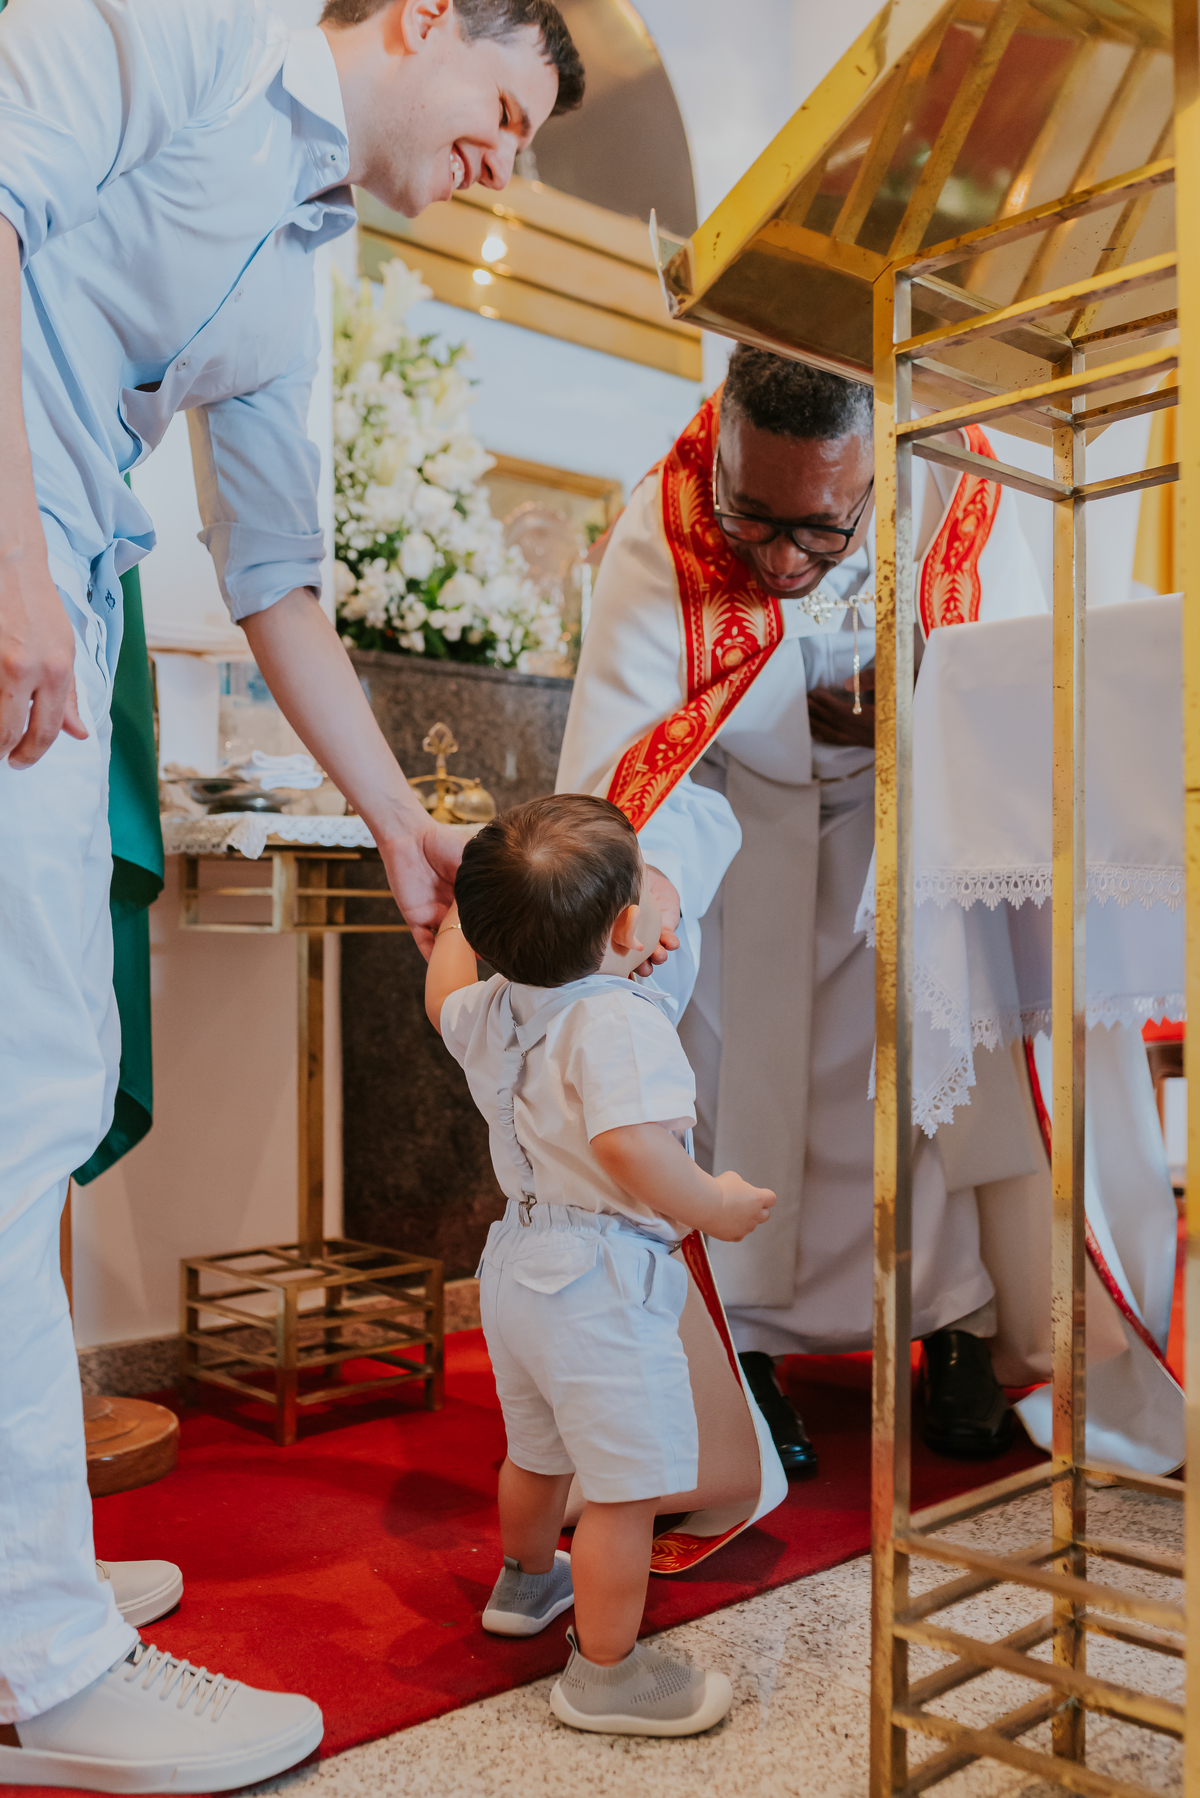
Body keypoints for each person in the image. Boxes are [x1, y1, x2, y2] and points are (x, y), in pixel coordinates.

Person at [0, 0, 582, 1787]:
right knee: (20, 1099)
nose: (513, 157)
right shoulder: (198, 24)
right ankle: (44, 1648)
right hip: (17, 561)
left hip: (66, 588)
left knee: (45, 1086)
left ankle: (27, 1574)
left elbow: (280, 582)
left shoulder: (300, 263)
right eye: (505, 103)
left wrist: (407, 828)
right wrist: (12, 557)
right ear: (414, 21)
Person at [557, 346, 1057, 1473]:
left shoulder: (950, 480)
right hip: (742, 846)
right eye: (756, 519)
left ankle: (954, 1326)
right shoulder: (667, 519)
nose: (782, 558)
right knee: (741, 1092)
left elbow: (1015, 673)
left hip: (917, 827)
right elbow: (641, 760)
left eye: (822, 530)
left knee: (935, 1088)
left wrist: (916, 699)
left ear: (874, 465)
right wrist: (657, 886)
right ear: (724, 446)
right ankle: (750, 1353)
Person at [425, 794, 775, 1737]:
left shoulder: (489, 1011)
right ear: (629, 925)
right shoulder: (622, 1020)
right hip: (603, 1280)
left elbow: (440, 983)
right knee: (626, 1489)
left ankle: (526, 1584)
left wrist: (465, 906)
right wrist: (717, 1204)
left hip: (516, 1266)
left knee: (536, 1453)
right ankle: (608, 1675)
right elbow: (631, 1148)